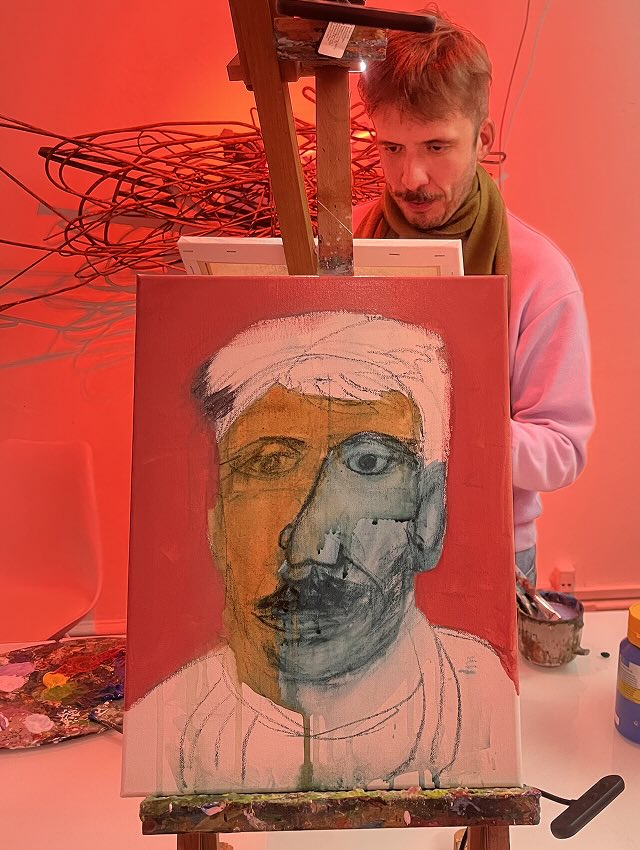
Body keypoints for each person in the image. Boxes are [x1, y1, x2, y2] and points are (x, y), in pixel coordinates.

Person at [123, 312, 519, 795]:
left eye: (368, 463)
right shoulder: (168, 731)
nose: (312, 546)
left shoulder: (481, 703)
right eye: (269, 463)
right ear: (218, 523)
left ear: (429, 516)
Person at [355, 12, 595, 586]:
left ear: (483, 139)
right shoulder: (347, 242)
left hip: (492, 552)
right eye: (392, 147)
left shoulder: (540, 274)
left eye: (437, 145)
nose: (410, 176)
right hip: (356, 550)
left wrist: (440, 430)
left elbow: (563, 451)